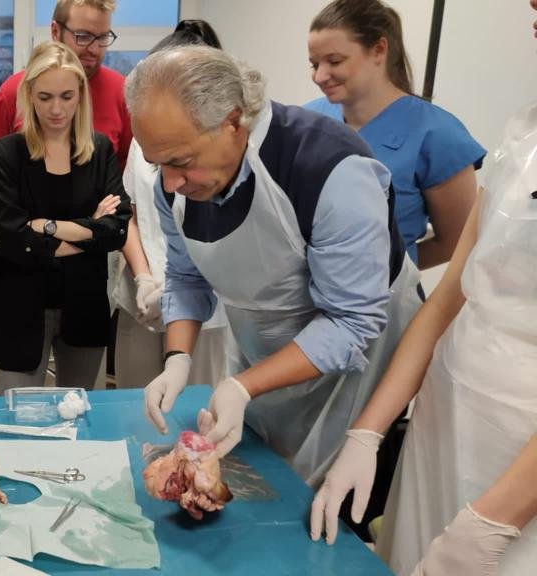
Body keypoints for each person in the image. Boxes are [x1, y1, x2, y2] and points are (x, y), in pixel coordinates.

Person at [128, 45, 423, 491]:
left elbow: (350, 321)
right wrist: (178, 359)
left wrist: (245, 386)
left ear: (233, 121)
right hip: (261, 353)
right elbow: (187, 277)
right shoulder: (174, 183)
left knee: (327, 507)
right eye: (157, 164)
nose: (170, 183)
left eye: (180, 162)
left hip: (354, 369)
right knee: (262, 479)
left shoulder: (329, 169)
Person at [310, 3, 537, 572]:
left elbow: (441, 248)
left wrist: (493, 520)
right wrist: (368, 433)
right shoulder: (523, 135)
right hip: (449, 402)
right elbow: (446, 300)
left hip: (522, 444)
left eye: (335, 59)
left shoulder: (433, 129)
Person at [0, 41, 130, 393]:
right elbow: (13, 240)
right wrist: (90, 234)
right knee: (18, 417)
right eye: (45, 96)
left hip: (84, 301)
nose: (56, 109)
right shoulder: (7, 153)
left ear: (80, 95)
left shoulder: (100, 151)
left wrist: (47, 227)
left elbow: (117, 231)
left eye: (66, 96)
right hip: (20, 304)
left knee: (81, 415)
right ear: (29, 95)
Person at [306, 0, 484, 270]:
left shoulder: (437, 135)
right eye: (314, 64)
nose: (320, 76)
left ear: (378, 50)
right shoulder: (306, 121)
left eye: (334, 61)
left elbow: (457, 242)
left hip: (384, 305)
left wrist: (388, 270)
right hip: (301, 298)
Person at [115, 19, 234, 391]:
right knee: (136, 404)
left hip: (207, 310)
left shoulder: (226, 151)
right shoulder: (144, 141)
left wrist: (173, 291)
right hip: (143, 297)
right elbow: (131, 213)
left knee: (195, 414)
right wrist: (144, 279)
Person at [0, 0, 130, 173]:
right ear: (55, 31)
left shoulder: (122, 92)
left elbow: (127, 176)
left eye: (103, 37)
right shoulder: (13, 91)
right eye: (83, 36)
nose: (95, 49)